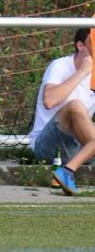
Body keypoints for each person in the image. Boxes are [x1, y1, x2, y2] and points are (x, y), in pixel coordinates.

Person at [28, 28, 95, 195]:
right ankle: (67, 171)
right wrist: (82, 71)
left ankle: (67, 171)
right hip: (48, 145)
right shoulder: (60, 65)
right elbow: (49, 100)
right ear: (80, 45)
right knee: (75, 106)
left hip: (80, 147)